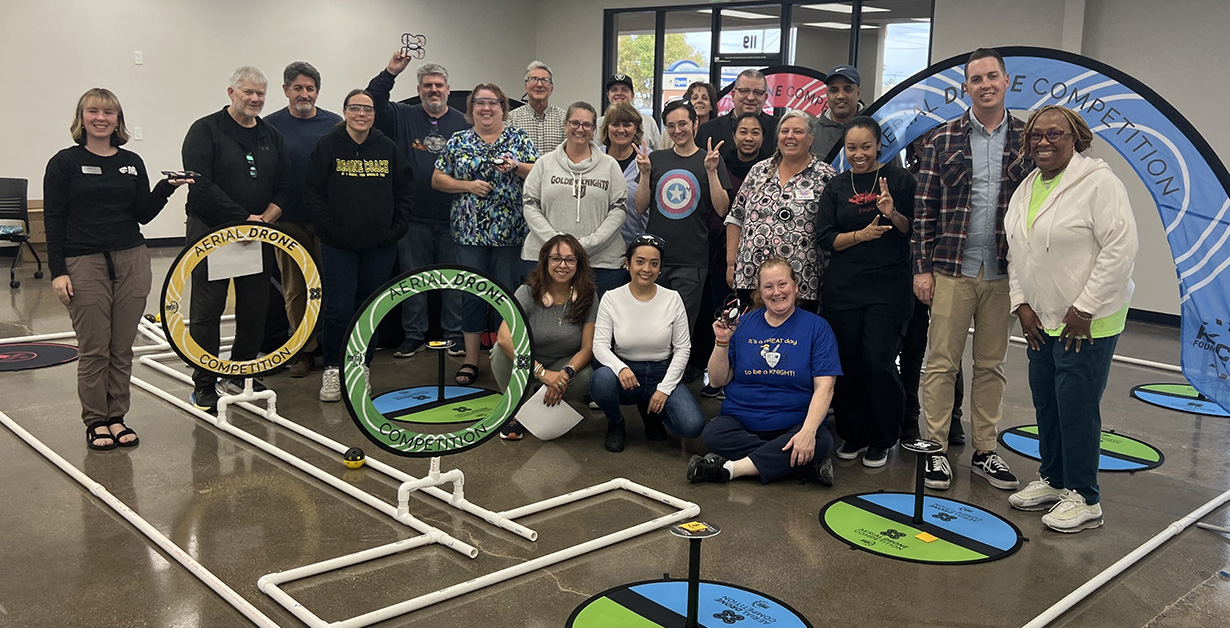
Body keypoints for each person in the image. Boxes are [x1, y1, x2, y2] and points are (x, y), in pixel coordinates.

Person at [1006, 105, 1137, 533]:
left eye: (1054, 135)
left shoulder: (1098, 183)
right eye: (1036, 136)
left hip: (1088, 323)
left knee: (1077, 406)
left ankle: (1085, 497)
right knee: (1047, 401)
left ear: (1074, 138)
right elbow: (1017, 251)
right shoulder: (1027, 187)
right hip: (1042, 319)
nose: (1043, 142)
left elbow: (1121, 247)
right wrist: (1021, 305)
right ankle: (1054, 479)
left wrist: (1085, 308)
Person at [44, 88, 192, 449]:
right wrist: (57, 271)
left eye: (108, 113)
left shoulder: (131, 161)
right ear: (81, 119)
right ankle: (96, 420)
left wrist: (165, 189)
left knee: (122, 346)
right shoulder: (64, 163)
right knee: (95, 347)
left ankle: (117, 417)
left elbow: (141, 213)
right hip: (83, 261)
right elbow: (53, 219)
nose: (101, 118)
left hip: (131, 258)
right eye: (93, 111)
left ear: (118, 120)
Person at [911, 48, 1031, 491]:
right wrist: (921, 269)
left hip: (1003, 273)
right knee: (940, 363)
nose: (985, 84)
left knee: (991, 365)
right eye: (976, 79)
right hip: (951, 270)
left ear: (1006, 81)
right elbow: (924, 213)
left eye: (992, 76)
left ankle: (985, 449)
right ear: (966, 88)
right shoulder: (941, 140)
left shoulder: (1026, 140)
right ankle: (935, 450)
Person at [181, 66, 291, 412]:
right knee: (207, 311)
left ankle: (241, 371)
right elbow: (199, 183)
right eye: (248, 92)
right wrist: (242, 219)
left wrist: (263, 220)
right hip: (212, 234)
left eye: (260, 93)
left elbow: (285, 185)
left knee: (255, 308)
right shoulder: (205, 130)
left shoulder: (271, 135)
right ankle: (204, 383)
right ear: (231, 93)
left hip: (257, 235)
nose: (255, 99)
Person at [687, 258, 841, 485]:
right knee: (713, 434)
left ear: (796, 285)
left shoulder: (817, 327)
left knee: (819, 438)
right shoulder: (743, 324)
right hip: (741, 418)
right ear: (760, 291)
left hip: (793, 421)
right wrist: (721, 342)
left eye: (782, 284)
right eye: (768, 286)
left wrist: (807, 432)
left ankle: (730, 468)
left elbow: (825, 389)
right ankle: (802, 465)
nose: (776, 292)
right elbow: (718, 380)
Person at [817, 117, 916, 468]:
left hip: (888, 289)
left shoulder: (900, 180)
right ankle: (853, 433)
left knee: (878, 363)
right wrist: (860, 235)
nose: (858, 155)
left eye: (865, 147)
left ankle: (883, 436)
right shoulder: (836, 185)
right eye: (852, 147)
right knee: (848, 363)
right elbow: (825, 238)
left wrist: (893, 213)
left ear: (879, 146)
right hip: (843, 289)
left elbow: (910, 231)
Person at [303, 89, 412, 402]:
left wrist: (394, 231)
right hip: (339, 247)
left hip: (380, 247)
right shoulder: (327, 146)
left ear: (374, 114)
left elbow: (405, 192)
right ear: (345, 112)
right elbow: (313, 194)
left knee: (370, 310)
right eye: (355, 109)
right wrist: (332, 230)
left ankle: (361, 367)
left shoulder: (388, 148)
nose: (361, 114)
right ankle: (334, 370)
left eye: (368, 109)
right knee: (338, 310)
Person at [432, 84, 536, 385]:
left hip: (510, 233)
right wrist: (468, 186)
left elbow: (538, 171)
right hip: (469, 234)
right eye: (480, 103)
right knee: (472, 295)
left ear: (503, 107)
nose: (486, 108)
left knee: (507, 294)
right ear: (471, 108)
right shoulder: (459, 140)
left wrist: (515, 166)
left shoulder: (518, 138)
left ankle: (507, 355)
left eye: (493, 103)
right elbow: (438, 178)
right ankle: (470, 359)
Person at [368, 54, 469, 360]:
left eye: (439, 85)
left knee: (454, 279)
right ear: (419, 89)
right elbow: (372, 100)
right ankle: (414, 335)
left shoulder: (463, 122)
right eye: (427, 85)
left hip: (455, 217)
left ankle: (455, 335)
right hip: (413, 218)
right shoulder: (403, 115)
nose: (433, 90)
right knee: (414, 280)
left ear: (448, 90)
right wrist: (390, 72)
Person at [589, 234, 705, 452]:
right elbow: (600, 346)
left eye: (654, 263)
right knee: (600, 381)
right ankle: (616, 423)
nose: (646, 269)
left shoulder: (672, 298)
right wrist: (620, 368)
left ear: (660, 268)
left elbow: (682, 349)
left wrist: (664, 389)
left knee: (692, 426)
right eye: (639, 261)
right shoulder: (612, 298)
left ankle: (651, 412)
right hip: (627, 374)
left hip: (661, 372)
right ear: (627, 264)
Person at [265, 61, 342, 378]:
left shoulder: (335, 124)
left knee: (332, 286)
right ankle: (303, 350)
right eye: (298, 87)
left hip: (328, 221)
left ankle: (332, 348)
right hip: (288, 221)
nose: (304, 93)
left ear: (318, 92)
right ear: (285, 90)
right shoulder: (269, 126)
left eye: (310, 88)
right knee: (296, 290)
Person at [634, 99, 731, 332]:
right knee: (650, 324)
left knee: (681, 327)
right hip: (655, 256)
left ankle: (679, 369)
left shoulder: (710, 159)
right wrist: (645, 174)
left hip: (692, 259)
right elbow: (640, 206)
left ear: (695, 123)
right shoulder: (656, 159)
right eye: (670, 126)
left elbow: (722, 209)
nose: (677, 130)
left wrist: (711, 171)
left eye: (682, 124)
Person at [726, 110, 835, 311]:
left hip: (801, 279)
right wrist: (731, 263)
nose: (790, 136)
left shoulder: (825, 176)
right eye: (784, 131)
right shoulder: (758, 171)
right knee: (751, 336)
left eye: (798, 131)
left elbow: (832, 228)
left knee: (794, 339)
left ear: (811, 138)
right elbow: (735, 217)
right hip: (752, 275)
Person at [493, 234, 598, 440]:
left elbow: (588, 347)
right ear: (545, 261)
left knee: (589, 375)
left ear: (578, 264)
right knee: (499, 352)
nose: (562, 265)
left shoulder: (588, 295)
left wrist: (562, 377)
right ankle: (515, 409)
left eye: (570, 259)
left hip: (562, 364)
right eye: (556, 258)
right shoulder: (527, 292)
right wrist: (542, 372)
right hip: (527, 363)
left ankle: (546, 395)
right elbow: (504, 338)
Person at [522, 101, 627, 295]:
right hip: (546, 258)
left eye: (587, 125)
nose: (580, 129)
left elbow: (619, 209)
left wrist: (588, 243)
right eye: (575, 123)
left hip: (601, 262)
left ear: (594, 129)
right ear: (565, 125)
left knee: (596, 322)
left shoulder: (610, 166)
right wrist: (557, 243)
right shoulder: (544, 163)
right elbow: (530, 204)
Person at [901, 133, 964, 444]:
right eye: (918, 138)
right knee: (913, 347)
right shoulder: (904, 177)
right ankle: (910, 414)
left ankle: (953, 418)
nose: (924, 143)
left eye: (930, 137)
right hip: (910, 271)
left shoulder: (957, 175)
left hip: (948, 270)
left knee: (947, 350)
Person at [695, 69, 777, 167]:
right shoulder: (708, 130)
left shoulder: (778, 130)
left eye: (758, 92)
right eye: (744, 91)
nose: (750, 97)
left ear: (765, 98)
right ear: (733, 95)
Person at [599, 102, 647, 246]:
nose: (621, 130)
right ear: (607, 127)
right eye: (615, 124)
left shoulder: (649, 159)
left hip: (637, 247)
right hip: (599, 247)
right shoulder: (594, 158)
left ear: (636, 128)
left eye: (627, 124)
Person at [507, 61, 566, 153]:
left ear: (551, 89)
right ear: (525, 86)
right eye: (534, 79)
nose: (539, 85)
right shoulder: (510, 120)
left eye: (545, 80)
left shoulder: (564, 119)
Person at [811, 65, 864, 161]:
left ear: (858, 93)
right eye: (834, 90)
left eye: (847, 89)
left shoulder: (877, 129)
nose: (840, 96)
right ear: (827, 94)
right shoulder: (812, 134)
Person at [604, 73, 661, 149]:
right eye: (614, 90)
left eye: (624, 90)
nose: (619, 93)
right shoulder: (599, 123)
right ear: (608, 95)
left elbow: (658, 151)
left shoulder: (649, 122)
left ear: (632, 95)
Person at [660, 81, 718, 150]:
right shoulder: (669, 134)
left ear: (711, 105)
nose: (699, 101)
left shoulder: (717, 132)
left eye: (704, 98)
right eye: (695, 98)